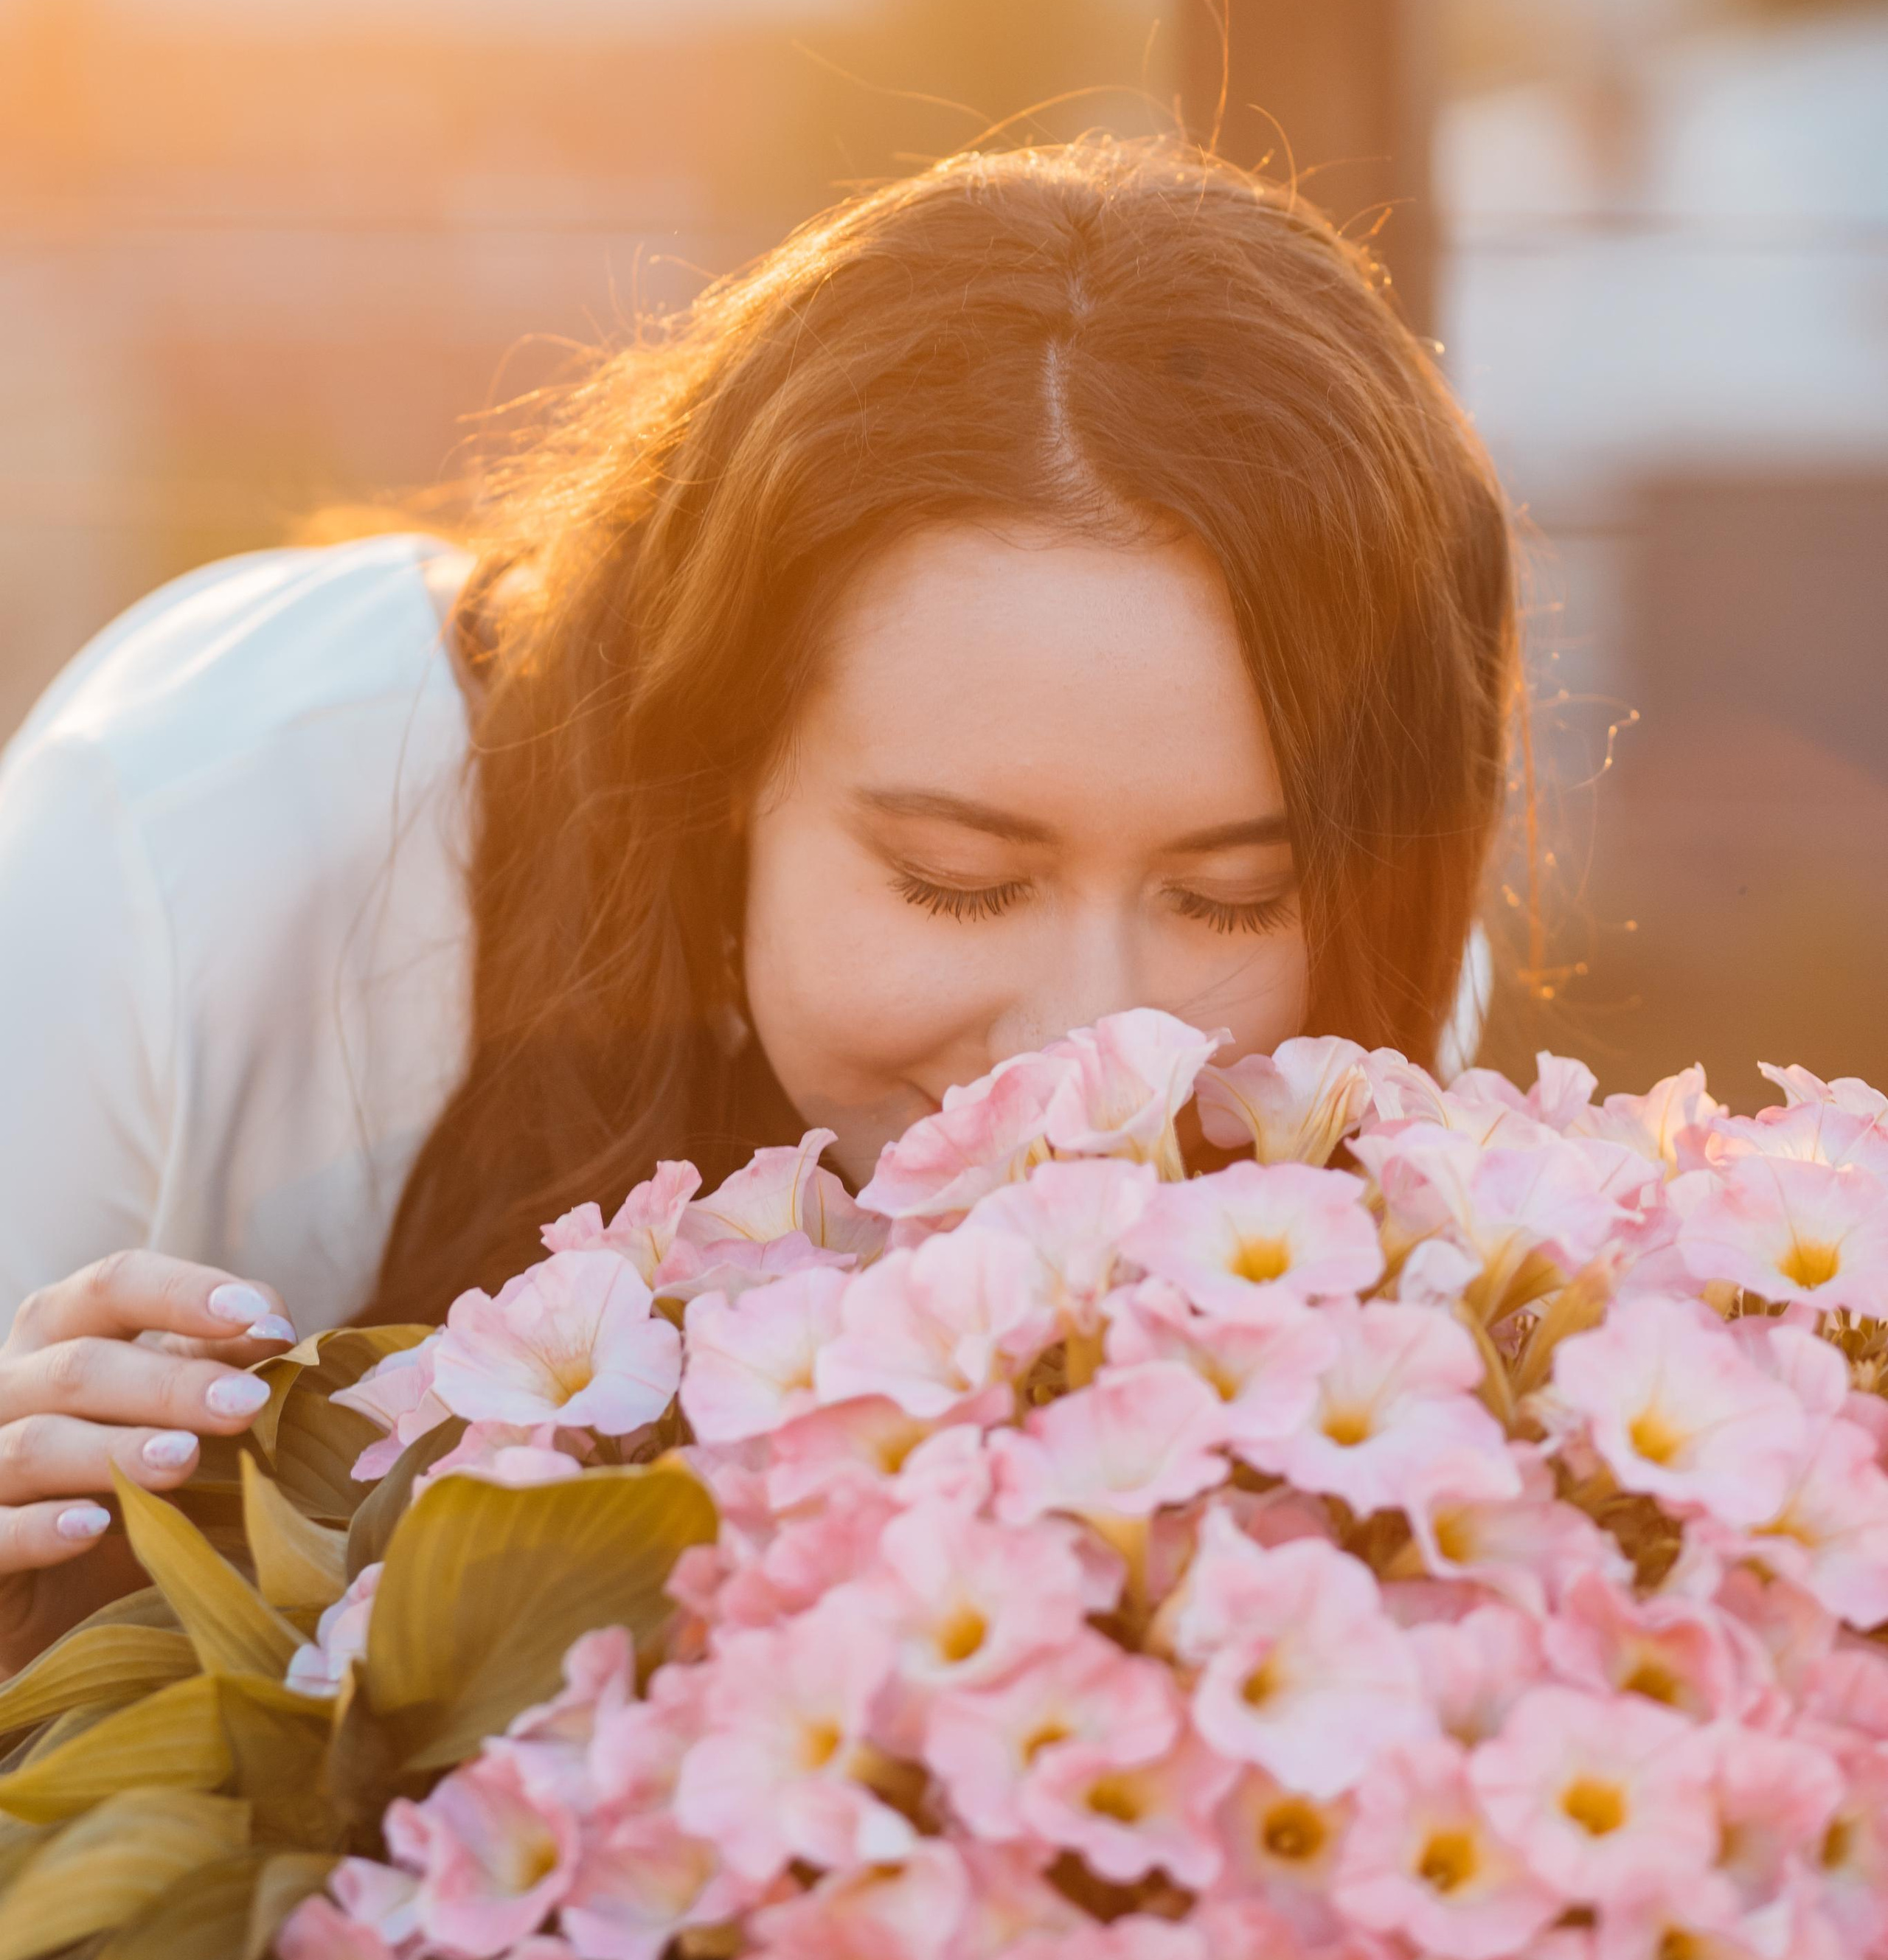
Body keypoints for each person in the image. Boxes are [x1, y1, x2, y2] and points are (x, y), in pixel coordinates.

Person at [0, 138, 1516, 1667]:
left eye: (1227, 897)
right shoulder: (198, 837)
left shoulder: (1333, 1030)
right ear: (711, 769)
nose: (1092, 1066)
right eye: (960, 882)